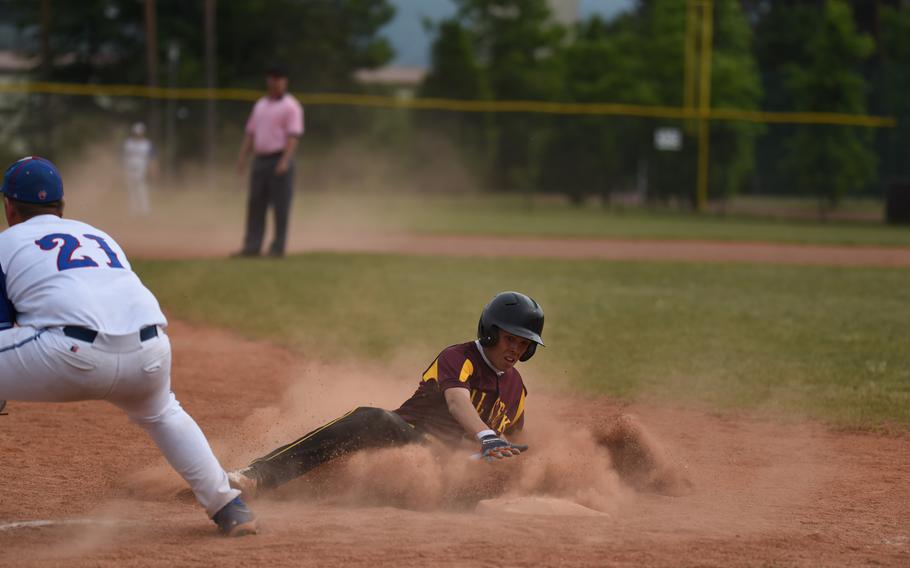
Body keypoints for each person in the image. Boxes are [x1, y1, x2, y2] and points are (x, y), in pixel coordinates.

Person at [0, 156, 257, 537]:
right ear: (62, 206)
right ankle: (229, 507)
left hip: (69, 354)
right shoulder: (99, 236)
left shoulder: (6, 242)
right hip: (150, 353)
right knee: (164, 413)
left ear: (9, 206)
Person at [228, 291, 543, 496]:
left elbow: (511, 443)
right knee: (373, 418)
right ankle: (259, 475)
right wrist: (486, 436)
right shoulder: (459, 357)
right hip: (408, 437)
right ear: (489, 332)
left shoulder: (518, 391)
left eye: (523, 343)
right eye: (509, 339)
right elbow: (457, 402)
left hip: (451, 472)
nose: (516, 349)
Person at [234, 64, 304, 258]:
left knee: (281, 206)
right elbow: (250, 133)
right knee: (255, 203)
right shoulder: (260, 105)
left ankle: (277, 247)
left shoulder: (291, 105)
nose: (276, 82)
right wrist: (242, 157)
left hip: (279, 159)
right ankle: (252, 246)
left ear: (285, 81)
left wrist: (285, 160)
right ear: (268, 80)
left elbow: (293, 136)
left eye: (279, 78)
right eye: (272, 78)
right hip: (260, 160)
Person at [121, 122, 157, 216]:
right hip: (129, 168)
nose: (138, 135)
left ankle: (144, 211)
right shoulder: (128, 143)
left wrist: (153, 168)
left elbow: (152, 157)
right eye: (136, 133)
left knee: (141, 188)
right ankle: (133, 211)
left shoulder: (147, 144)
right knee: (131, 189)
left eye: (139, 133)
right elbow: (123, 156)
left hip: (141, 168)